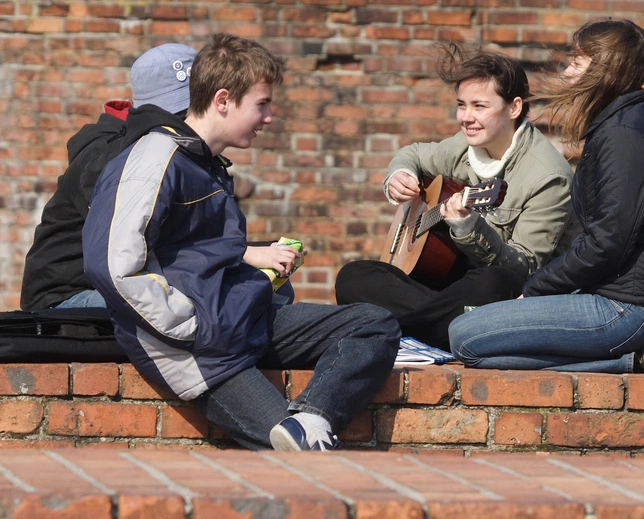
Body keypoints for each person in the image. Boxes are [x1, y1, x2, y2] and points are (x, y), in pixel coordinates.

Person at [82, 33, 400, 451]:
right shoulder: (154, 159)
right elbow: (112, 264)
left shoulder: (206, 162)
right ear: (223, 100)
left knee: (374, 323)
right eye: (262, 104)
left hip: (243, 319)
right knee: (294, 449)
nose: (269, 117)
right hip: (200, 353)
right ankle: (303, 437)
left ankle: (315, 416)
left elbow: (201, 252)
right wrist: (193, 327)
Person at [448, 19, 644, 374]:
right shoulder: (615, 124)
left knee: (465, 337)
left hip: (630, 307)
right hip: (613, 297)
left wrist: (537, 288)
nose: (567, 70)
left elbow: (608, 242)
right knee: (473, 340)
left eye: (578, 61)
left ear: (605, 70)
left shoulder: (623, 136)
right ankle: (627, 356)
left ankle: (629, 357)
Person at [335, 45, 577, 351]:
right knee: (354, 276)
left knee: (494, 281)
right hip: (452, 294)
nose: (466, 117)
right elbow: (413, 154)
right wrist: (399, 175)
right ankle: (444, 332)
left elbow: (526, 269)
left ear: (514, 108)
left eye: (479, 106)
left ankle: (397, 330)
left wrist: (468, 229)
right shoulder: (464, 146)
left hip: (505, 295)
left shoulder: (548, 177)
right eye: (461, 105)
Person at [20, 43, 198, 311]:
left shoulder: (160, 145)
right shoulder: (110, 154)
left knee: (253, 293)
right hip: (66, 295)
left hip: (115, 285)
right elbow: (131, 240)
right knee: (210, 305)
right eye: (186, 111)